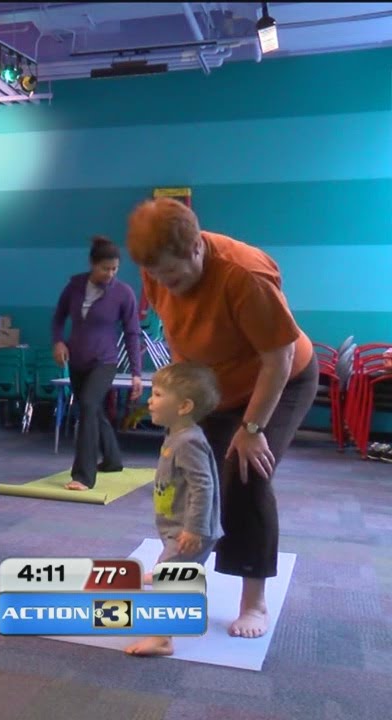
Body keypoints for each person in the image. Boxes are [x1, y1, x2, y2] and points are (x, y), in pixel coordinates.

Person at [126, 198, 319, 639]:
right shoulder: (156, 265)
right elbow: (180, 334)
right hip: (213, 386)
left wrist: (251, 430)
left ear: (196, 247)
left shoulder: (244, 275)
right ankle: (180, 567)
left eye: (172, 275)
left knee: (244, 473)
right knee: (188, 472)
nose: (164, 285)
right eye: (156, 277)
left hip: (279, 381)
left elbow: (279, 358)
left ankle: (254, 602)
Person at [125, 361, 221, 657]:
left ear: (183, 406)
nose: (149, 401)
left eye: (157, 395)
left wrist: (194, 528)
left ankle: (161, 639)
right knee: (176, 570)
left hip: (190, 529)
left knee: (170, 577)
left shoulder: (188, 441)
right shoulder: (177, 435)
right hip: (176, 527)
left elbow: (202, 486)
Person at [51, 236, 144, 492]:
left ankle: (83, 475)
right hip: (77, 359)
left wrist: (136, 372)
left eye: (115, 269)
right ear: (92, 264)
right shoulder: (74, 286)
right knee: (92, 409)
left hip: (105, 361)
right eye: (105, 268)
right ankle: (113, 460)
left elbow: (132, 332)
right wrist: (58, 342)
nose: (110, 274)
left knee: (90, 405)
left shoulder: (123, 293)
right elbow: (58, 318)